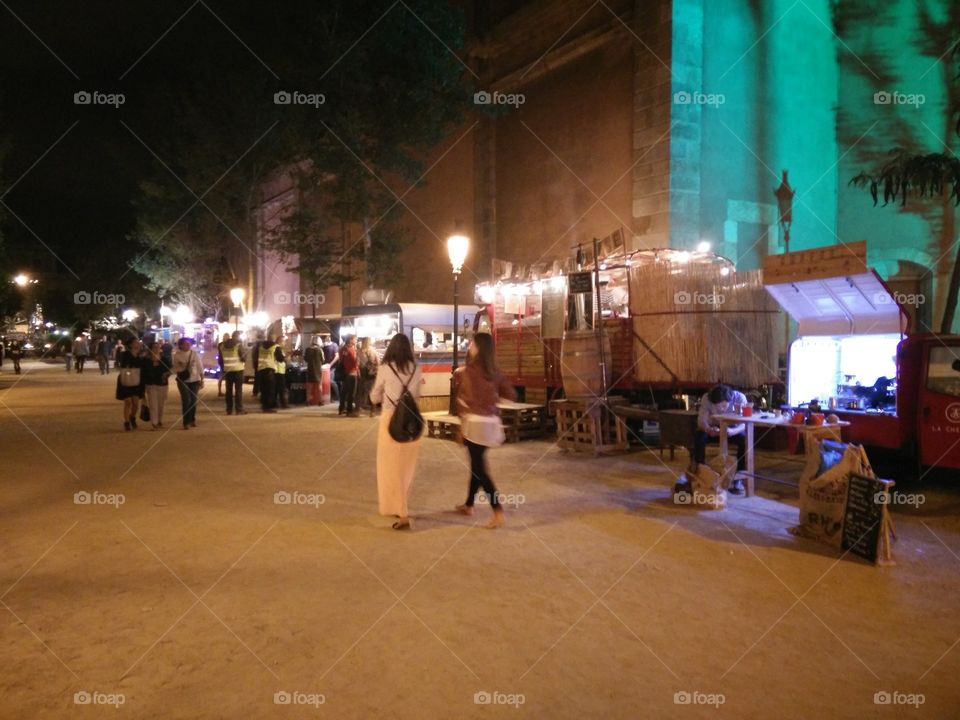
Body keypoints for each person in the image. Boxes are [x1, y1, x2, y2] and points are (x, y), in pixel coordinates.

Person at [453, 333, 516, 529]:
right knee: (477, 464)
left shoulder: (464, 372)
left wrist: (461, 427)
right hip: (491, 424)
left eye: (472, 343)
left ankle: (497, 511)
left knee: (480, 469)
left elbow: (461, 402)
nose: (470, 346)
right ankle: (469, 504)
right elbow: (511, 395)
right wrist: (493, 401)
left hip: (473, 424)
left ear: (478, 348)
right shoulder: (496, 372)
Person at [369, 333, 424, 530]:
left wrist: (383, 395)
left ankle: (402, 512)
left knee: (389, 467)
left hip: (390, 420)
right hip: (412, 421)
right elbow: (417, 396)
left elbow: (375, 396)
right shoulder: (417, 368)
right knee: (406, 467)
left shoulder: (385, 368)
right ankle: (400, 506)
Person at [693, 383, 747, 494]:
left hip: (733, 429)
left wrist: (732, 431)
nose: (721, 410)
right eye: (717, 407)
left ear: (730, 400)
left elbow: (745, 424)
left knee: (744, 440)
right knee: (699, 437)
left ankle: (739, 475)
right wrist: (708, 429)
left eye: (723, 406)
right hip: (715, 429)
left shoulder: (739, 398)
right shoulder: (706, 398)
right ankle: (701, 472)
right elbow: (701, 420)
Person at [172, 338, 204, 429]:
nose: (188, 345)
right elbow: (175, 368)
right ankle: (186, 422)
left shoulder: (194, 354)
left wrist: (202, 379)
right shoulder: (177, 355)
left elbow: (200, 367)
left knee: (193, 401)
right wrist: (180, 366)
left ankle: (192, 419)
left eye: (189, 344)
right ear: (181, 345)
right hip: (183, 380)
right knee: (186, 400)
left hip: (195, 380)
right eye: (185, 344)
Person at [115, 337, 146, 431]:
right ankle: (126, 421)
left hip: (137, 379)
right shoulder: (125, 354)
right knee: (128, 401)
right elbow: (121, 365)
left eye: (139, 343)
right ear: (130, 345)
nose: (138, 344)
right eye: (136, 343)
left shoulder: (141, 355)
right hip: (126, 379)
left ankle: (132, 417)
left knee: (136, 403)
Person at [142, 341, 171, 429]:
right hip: (151, 384)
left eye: (158, 347)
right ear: (150, 349)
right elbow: (143, 372)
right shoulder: (146, 360)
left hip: (162, 384)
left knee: (161, 403)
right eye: (154, 347)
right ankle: (154, 422)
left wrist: (166, 374)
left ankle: (159, 420)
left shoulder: (164, 359)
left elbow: (170, 369)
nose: (157, 349)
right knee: (153, 403)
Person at [218, 331, 247, 415]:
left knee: (228, 390)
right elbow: (243, 358)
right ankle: (239, 409)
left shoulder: (222, 346)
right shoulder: (238, 345)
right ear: (237, 337)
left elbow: (220, 359)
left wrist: (223, 368)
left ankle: (229, 409)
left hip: (227, 370)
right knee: (238, 390)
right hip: (238, 369)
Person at [253, 335, 279, 413]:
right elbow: (280, 358)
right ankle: (268, 407)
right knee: (270, 389)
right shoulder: (275, 346)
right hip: (270, 369)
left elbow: (255, 357)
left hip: (261, 369)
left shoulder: (260, 347)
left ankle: (264, 405)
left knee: (263, 389)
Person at [338, 335, 360, 416]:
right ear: (350, 340)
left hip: (345, 373)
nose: (356, 341)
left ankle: (341, 408)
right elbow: (355, 362)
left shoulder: (342, 349)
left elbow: (341, 360)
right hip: (352, 373)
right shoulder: (351, 350)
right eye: (355, 339)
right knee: (351, 393)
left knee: (344, 392)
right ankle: (349, 410)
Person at [357, 337, 380, 415]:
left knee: (360, 391)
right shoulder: (374, 351)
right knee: (371, 392)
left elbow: (357, 364)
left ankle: (358, 410)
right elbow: (378, 362)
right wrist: (375, 370)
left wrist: (358, 372)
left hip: (363, 373)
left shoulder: (359, 352)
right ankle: (372, 410)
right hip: (371, 374)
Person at [304, 337, 324, 406]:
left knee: (309, 386)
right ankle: (320, 401)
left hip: (310, 369)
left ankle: (308, 400)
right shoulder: (319, 350)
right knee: (319, 385)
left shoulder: (307, 349)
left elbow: (305, 359)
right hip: (318, 369)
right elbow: (323, 360)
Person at [322, 334, 340, 403]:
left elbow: (337, 356)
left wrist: (330, 364)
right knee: (327, 381)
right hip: (325, 366)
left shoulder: (334, 345)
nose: (327, 338)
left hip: (332, 366)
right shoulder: (324, 346)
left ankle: (338, 396)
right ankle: (330, 396)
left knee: (330, 381)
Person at [274, 338, 289, 409]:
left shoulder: (277, 348)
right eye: (284, 342)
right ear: (280, 342)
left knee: (276, 389)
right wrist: (287, 358)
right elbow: (280, 359)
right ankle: (284, 404)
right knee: (282, 388)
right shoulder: (278, 348)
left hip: (278, 370)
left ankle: (276, 403)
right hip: (279, 371)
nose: (285, 343)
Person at [216, 333, 230, 397]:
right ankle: (226, 392)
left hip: (221, 361)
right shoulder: (226, 345)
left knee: (221, 377)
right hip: (225, 362)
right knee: (227, 377)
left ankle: (220, 391)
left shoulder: (220, 344)